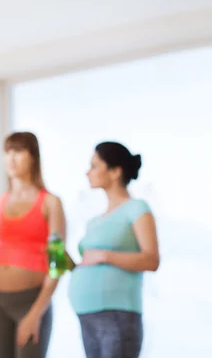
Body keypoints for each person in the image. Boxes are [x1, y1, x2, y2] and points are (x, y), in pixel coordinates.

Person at [0, 132, 66, 358]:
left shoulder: (50, 202)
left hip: (31, 302)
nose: (11, 158)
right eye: (7, 152)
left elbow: (57, 263)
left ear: (33, 157)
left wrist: (35, 314)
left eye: (18, 151)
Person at [68, 141, 160, 358]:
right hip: (87, 315)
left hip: (117, 316)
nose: (87, 172)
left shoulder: (137, 208)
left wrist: (104, 255)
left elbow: (151, 260)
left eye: (94, 165)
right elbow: (89, 264)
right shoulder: (94, 221)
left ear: (115, 172)